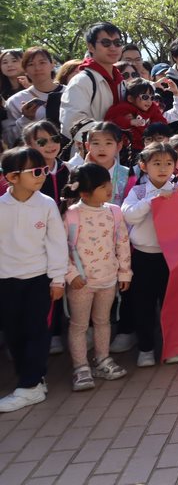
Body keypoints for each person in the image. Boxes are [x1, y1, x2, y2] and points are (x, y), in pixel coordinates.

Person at [0, 147, 68, 412]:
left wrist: (58, 279)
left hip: (39, 279)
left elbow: (56, 243)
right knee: (14, 332)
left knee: (36, 331)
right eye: (35, 171)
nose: (42, 175)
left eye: (44, 170)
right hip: (6, 280)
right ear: (12, 177)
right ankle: (32, 380)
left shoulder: (47, 204)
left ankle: (29, 387)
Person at [61, 163, 131, 391]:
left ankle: (102, 359)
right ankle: (80, 367)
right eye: (102, 186)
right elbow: (61, 248)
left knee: (103, 321)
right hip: (81, 283)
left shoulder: (114, 211)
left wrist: (124, 272)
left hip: (108, 279)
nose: (109, 188)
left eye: (108, 182)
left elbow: (122, 242)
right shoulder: (72, 215)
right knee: (79, 325)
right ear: (84, 193)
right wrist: (71, 274)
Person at [122, 142, 178, 367]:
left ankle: (174, 347)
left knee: (173, 304)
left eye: (168, 163)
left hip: (172, 258)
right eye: (156, 163)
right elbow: (129, 215)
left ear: (175, 165)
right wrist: (154, 200)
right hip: (143, 257)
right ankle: (146, 349)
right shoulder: (138, 191)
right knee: (144, 305)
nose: (163, 168)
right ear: (144, 166)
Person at [60, 22, 125, 132]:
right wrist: (107, 136)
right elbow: (71, 124)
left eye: (118, 43)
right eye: (106, 43)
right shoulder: (81, 81)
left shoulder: (121, 81)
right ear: (90, 47)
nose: (113, 48)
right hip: (90, 143)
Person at [105, 77, 178, 152]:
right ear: (130, 98)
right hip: (126, 150)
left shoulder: (153, 108)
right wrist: (130, 122)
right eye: (145, 97)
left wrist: (154, 128)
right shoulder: (123, 108)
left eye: (152, 98)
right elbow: (110, 121)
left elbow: (161, 122)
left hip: (149, 149)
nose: (149, 101)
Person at [6, 47, 62, 146]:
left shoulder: (71, 92)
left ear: (52, 64)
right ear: (25, 70)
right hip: (35, 154)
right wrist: (26, 119)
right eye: (31, 64)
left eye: (42, 62)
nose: (37, 68)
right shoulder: (15, 101)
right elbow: (10, 139)